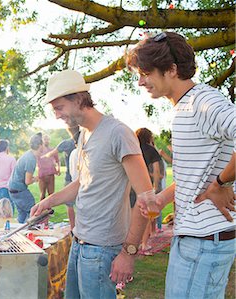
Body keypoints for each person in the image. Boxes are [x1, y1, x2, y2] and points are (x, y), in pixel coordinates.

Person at [127, 31, 236, 299]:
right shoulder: (183, 107)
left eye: (145, 73)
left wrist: (222, 183)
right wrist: (161, 198)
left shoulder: (202, 101)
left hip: (204, 240)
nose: (140, 82)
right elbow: (194, 174)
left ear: (172, 69)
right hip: (193, 238)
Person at [30, 69, 154, 298]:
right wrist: (48, 201)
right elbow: (82, 183)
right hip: (78, 242)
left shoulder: (118, 133)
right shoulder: (85, 134)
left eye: (59, 108)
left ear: (78, 99)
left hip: (102, 250)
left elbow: (147, 199)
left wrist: (128, 253)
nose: (56, 115)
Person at [135, 128, 162, 255]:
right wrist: (156, 187)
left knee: (130, 214)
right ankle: (144, 244)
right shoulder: (151, 150)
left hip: (130, 185)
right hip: (145, 186)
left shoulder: (132, 147)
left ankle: (131, 242)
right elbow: (156, 170)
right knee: (146, 215)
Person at [8, 133, 43, 223]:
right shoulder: (31, 159)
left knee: (22, 214)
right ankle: (28, 232)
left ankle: (18, 232)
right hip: (19, 190)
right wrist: (36, 178)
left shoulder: (28, 154)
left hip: (12, 188)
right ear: (40, 145)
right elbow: (27, 181)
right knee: (33, 211)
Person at [37, 134, 60, 201]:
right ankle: (41, 210)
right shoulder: (39, 151)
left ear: (49, 140)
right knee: (42, 194)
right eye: (45, 139)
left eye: (47, 139)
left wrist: (58, 169)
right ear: (42, 140)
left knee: (51, 194)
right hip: (42, 175)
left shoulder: (53, 150)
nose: (46, 141)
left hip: (51, 174)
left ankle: (49, 210)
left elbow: (58, 160)